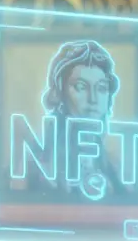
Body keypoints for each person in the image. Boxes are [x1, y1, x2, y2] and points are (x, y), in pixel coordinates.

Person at [21, 40, 125, 198]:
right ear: (59, 93)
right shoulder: (33, 162)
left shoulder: (114, 166)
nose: (93, 99)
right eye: (81, 87)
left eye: (102, 88)